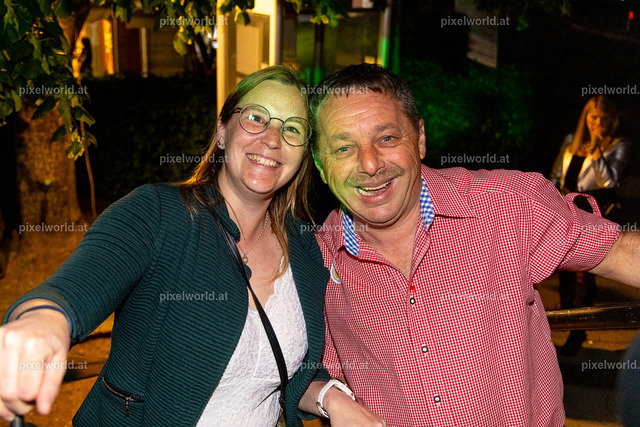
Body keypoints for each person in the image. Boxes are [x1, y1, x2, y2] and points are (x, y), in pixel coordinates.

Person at [0, 66, 383, 426]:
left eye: (292, 128)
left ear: (302, 155)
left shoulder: (305, 247)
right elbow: (81, 283)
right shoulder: (158, 213)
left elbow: (297, 370)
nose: (271, 139)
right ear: (222, 132)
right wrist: (45, 319)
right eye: (256, 118)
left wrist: (333, 398)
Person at [309, 63, 640, 426]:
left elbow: (621, 252)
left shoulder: (507, 206)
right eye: (343, 147)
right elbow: (295, 371)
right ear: (321, 165)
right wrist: (329, 400)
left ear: (420, 139)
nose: (370, 163)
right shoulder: (314, 261)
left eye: (387, 138)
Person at [550, 96, 631, 354]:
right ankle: (565, 325)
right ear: (585, 117)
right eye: (593, 117)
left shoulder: (618, 145)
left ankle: (578, 332)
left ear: (611, 120)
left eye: (603, 118)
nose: (597, 123)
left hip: (591, 213)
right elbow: (556, 176)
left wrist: (597, 149)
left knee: (585, 273)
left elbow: (609, 181)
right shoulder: (571, 142)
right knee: (564, 270)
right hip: (565, 211)